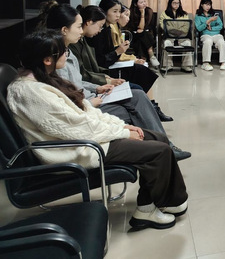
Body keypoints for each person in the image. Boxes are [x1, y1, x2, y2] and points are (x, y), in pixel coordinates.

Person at [7, 30, 189, 230]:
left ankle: (153, 204)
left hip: (82, 140)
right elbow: (75, 128)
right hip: (75, 149)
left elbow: (85, 113)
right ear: (47, 60)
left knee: (157, 137)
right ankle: (153, 209)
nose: (67, 54)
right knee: (158, 151)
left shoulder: (44, 79)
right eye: (62, 51)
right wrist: (122, 133)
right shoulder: (30, 92)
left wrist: (121, 126)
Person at [42, 2, 190, 161]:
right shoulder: (57, 59)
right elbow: (67, 98)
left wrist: (97, 88)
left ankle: (163, 147)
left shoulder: (67, 52)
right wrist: (91, 100)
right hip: (87, 105)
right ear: (64, 30)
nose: (81, 30)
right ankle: (161, 148)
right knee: (136, 107)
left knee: (138, 95)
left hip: (91, 97)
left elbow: (78, 81)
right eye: (78, 27)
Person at [73, 4, 173, 123]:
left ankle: (153, 111)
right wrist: (106, 80)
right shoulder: (83, 41)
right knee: (138, 84)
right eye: (115, 11)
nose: (118, 15)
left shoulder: (91, 36)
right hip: (101, 76)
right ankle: (152, 113)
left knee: (140, 76)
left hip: (100, 75)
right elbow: (89, 70)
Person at [158, 0, 194, 73]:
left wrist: (175, 29)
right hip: (169, 35)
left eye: (178, 3)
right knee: (167, 43)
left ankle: (186, 65)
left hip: (182, 35)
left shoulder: (184, 14)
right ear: (170, 3)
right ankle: (167, 65)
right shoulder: (164, 14)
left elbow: (186, 27)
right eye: (174, 3)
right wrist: (174, 30)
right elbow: (163, 26)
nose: (176, 5)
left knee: (187, 42)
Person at [126, 0, 160, 68]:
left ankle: (143, 61)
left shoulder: (149, 11)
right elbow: (137, 28)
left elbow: (142, 28)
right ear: (135, 4)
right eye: (141, 2)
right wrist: (142, 14)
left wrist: (143, 14)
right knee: (140, 36)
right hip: (134, 36)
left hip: (148, 35)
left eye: (144, 1)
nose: (144, 4)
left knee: (142, 34)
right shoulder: (131, 12)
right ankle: (151, 54)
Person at [195, 0, 225, 71]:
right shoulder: (198, 16)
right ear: (201, 5)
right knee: (208, 41)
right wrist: (208, 22)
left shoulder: (214, 15)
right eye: (206, 4)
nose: (208, 7)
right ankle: (205, 63)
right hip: (205, 34)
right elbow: (199, 28)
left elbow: (220, 26)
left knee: (222, 42)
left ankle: (223, 62)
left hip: (216, 34)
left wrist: (212, 28)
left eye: (209, 5)